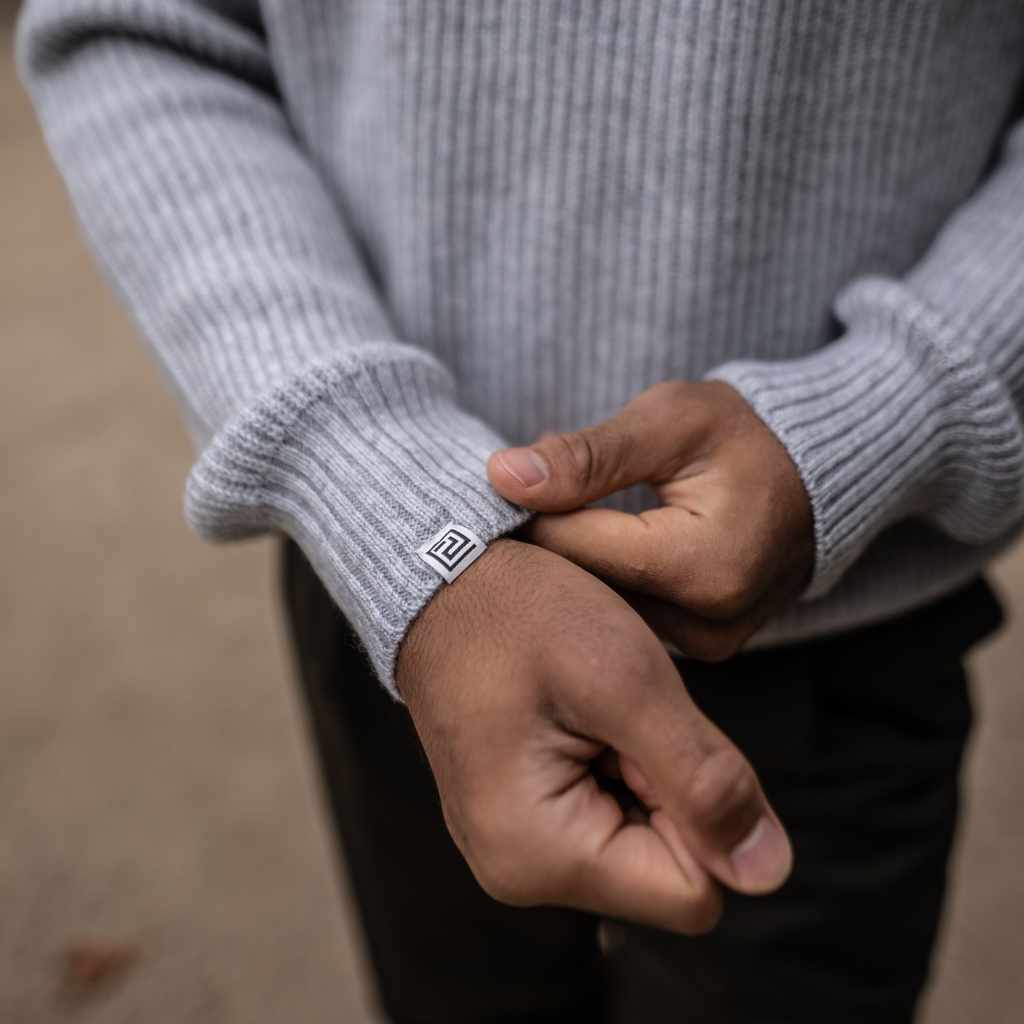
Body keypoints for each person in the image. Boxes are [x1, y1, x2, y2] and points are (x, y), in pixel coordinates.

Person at [18, 2, 1023, 1020]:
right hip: (400, 627)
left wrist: (893, 406)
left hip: (837, 621)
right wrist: (389, 494)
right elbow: (138, 30)